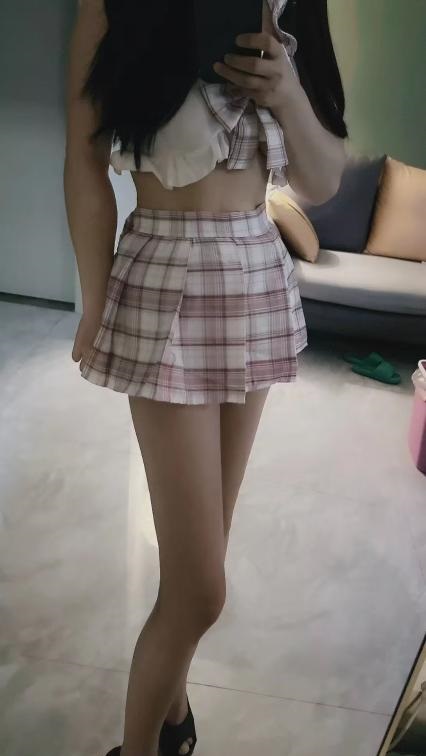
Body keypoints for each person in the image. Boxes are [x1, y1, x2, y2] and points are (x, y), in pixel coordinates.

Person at [64, 1, 348, 754]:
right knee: (200, 589)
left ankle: (175, 721)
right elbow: (82, 160)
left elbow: (322, 180)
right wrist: (94, 300)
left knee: (200, 560)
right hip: (163, 270)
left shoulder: (290, 9)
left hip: (255, 266)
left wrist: (286, 92)